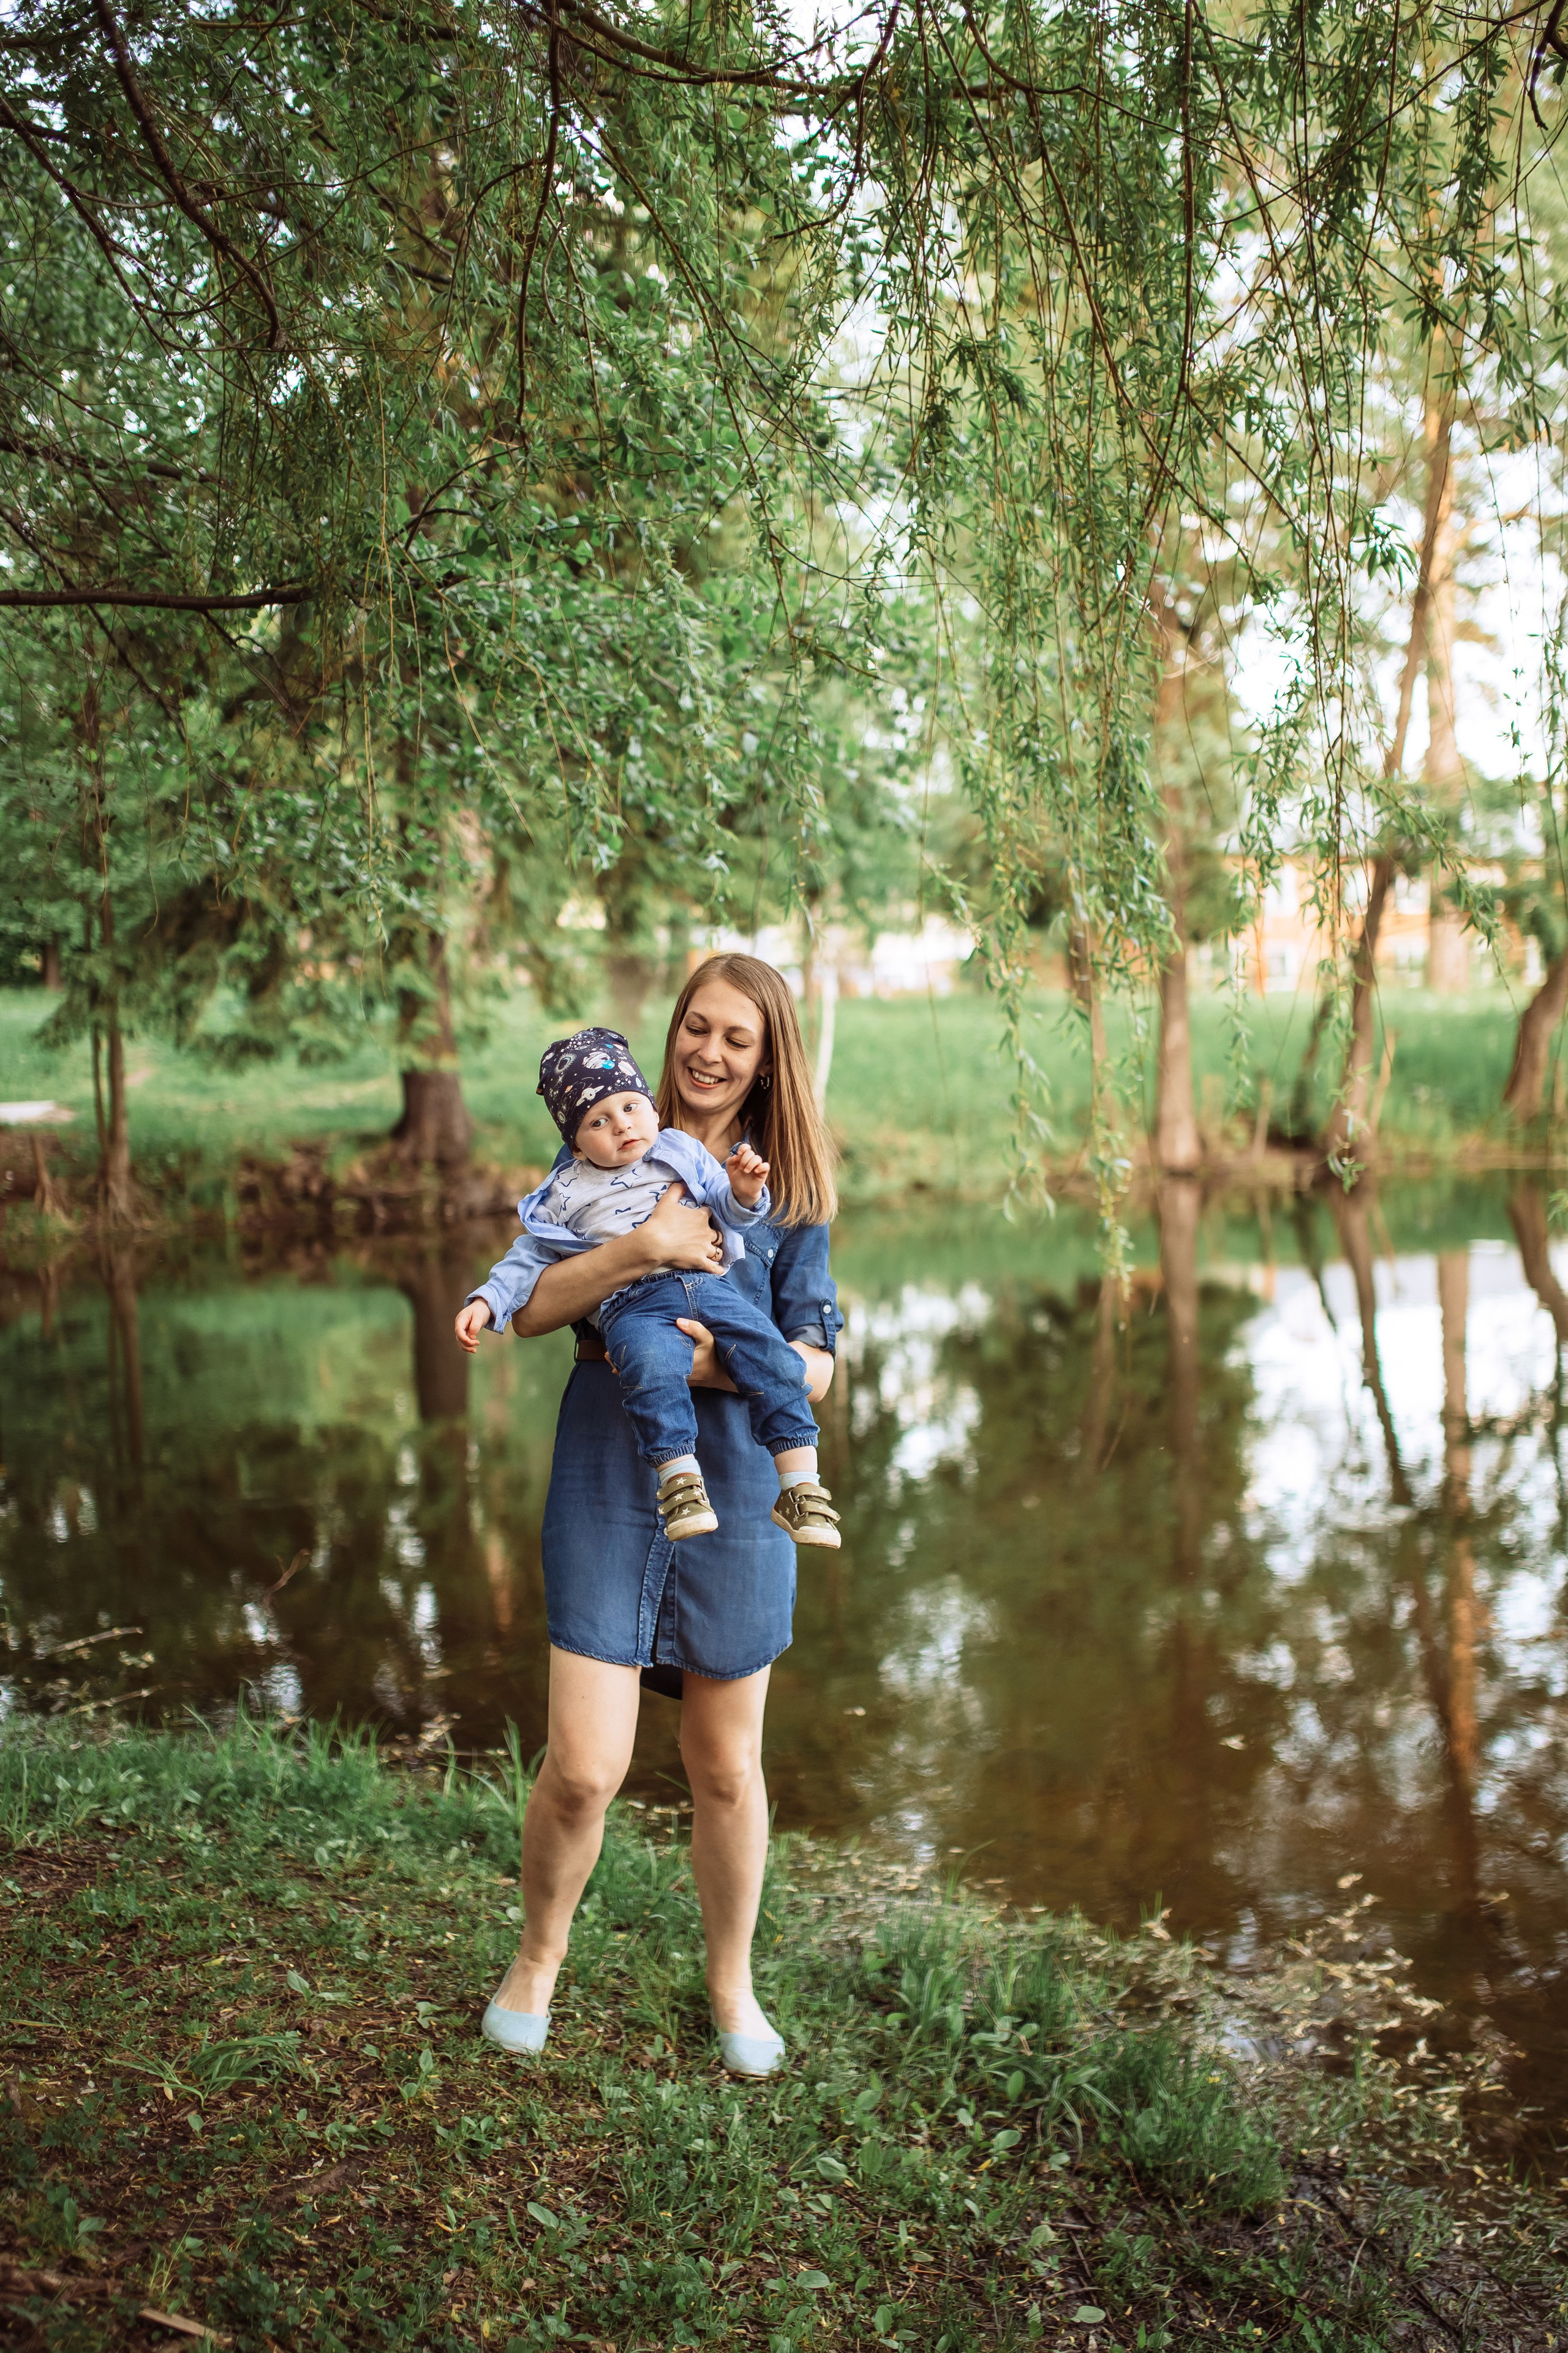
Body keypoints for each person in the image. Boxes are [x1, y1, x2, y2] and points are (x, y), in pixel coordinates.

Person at [451, 954, 842, 2077]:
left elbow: (814, 1368)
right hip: (610, 1468)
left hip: (742, 1481)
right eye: (697, 1028)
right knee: (584, 1764)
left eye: (737, 1039)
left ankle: (731, 1984)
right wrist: (640, 1251)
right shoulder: (609, 1142)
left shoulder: (793, 1194)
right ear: (670, 1033)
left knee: (725, 1764)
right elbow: (535, 1308)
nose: (709, 1053)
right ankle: (537, 1959)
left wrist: (718, 1361)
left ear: (769, 1059)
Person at [457, 1027, 840, 1547]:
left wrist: (746, 1191)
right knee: (652, 1366)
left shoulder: (680, 1151)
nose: (622, 1126)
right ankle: (680, 1481)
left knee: (770, 1353)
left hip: (710, 1293)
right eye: (599, 1120)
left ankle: (801, 1486)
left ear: (652, 1108)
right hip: (632, 1309)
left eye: (632, 1107)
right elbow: (527, 1259)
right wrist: (486, 1300)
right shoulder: (566, 1188)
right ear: (576, 1140)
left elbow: (725, 1208)